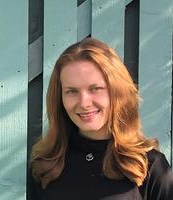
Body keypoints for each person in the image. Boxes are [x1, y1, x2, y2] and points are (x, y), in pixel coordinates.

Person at [30, 37, 173, 200]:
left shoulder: (148, 165)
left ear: (117, 92)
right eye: (72, 91)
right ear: (59, 97)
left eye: (95, 88)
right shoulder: (45, 165)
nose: (84, 103)